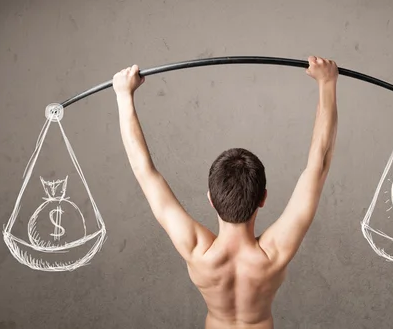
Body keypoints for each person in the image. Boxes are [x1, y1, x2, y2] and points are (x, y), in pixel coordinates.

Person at [113, 55, 339, 329]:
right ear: (263, 198)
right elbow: (319, 164)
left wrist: (124, 96)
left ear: (210, 199)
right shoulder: (274, 253)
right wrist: (327, 83)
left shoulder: (197, 250)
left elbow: (144, 171)